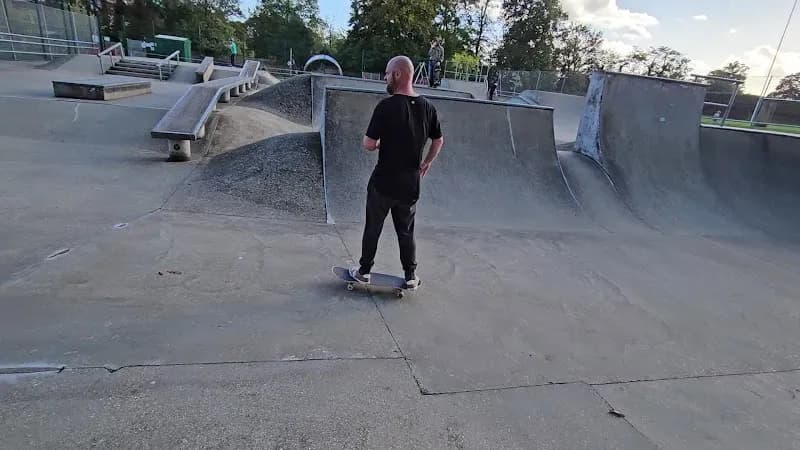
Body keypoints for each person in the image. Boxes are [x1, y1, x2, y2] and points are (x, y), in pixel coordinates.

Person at [349, 55, 445, 290]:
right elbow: (438, 140)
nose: (385, 77)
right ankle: (411, 276)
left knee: (373, 227)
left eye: (387, 72)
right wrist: (427, 161)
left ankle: (364, 271)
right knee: (406, 231)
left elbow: (369, 144)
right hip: (410, 185)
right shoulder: (428, 107)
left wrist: (382, 143)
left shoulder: (386, 106)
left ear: (398, 74)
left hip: (383, 183)